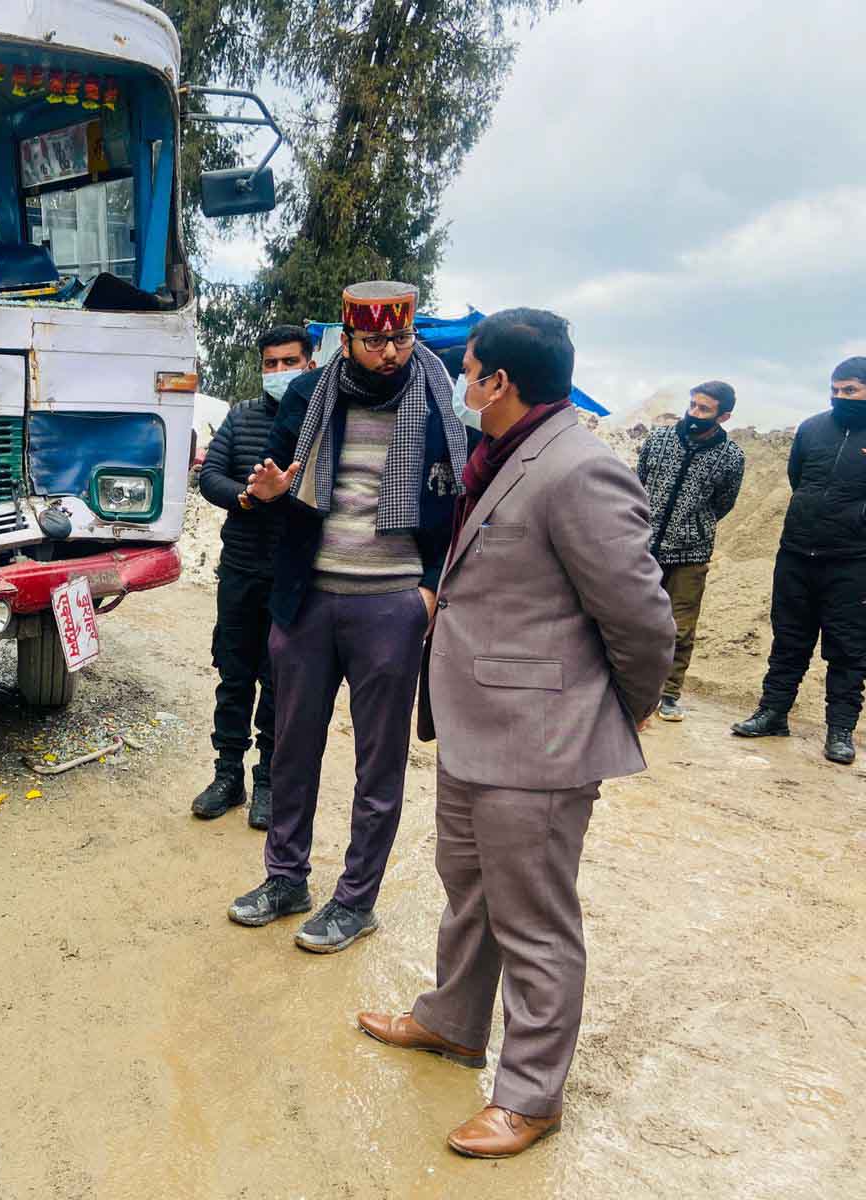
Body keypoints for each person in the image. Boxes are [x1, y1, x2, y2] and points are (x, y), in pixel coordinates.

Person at [356, 308, 675, 1159]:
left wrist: (620, 706)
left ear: (499, 381)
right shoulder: (503, 455)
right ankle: (454, 1021)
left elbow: (641, 618)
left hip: (539, 737)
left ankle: (532, 1093)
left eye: (469, 371)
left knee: (534, 918)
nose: (461, 384)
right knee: (470, 887)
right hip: (476, 724)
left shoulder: (578, 469)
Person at [227, 282, 470, 953]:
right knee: (291, 748)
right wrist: (269, 493)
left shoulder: (440, 401)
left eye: (400, 339)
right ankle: (286, 879)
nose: (389, 353)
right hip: (308, 601)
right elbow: (274, 482)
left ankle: (355, 900)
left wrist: (425, 591)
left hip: (390, 605)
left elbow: (456, 509)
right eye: (373, 341)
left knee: (378, 763)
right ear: (346, 336)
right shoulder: (309, 396)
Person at [190, 326, 309, 828]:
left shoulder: (317, 422)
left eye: (289, 362)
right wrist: (247, 496)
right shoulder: (240, 416)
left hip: (292, 577)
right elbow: (209, 476)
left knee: (280, 683)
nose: (278, 372)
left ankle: (267, 783)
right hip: (239, 571)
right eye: (271, 363)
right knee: (234, 677)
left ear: (309, 364)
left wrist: (287, 492)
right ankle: (227, 776)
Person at [732, 358, 866, 765]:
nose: (841, 397)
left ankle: (840, 730)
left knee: (847, 648)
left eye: (851, 390)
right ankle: (773, 713)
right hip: (797, 553)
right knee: (789, 639)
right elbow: (798, 477)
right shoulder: (811, 429)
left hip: (852, 561)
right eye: (836, 389)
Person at [636, 382, 746, 721]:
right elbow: (638, 485)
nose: (694, 414)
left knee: (679, 628)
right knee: (632, 618)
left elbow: (723, 504)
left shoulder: (731, 457)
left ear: (724, 416)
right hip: (644, 547)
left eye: (704, 410)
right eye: (693, 406)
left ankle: (668, 695)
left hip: (691, 555)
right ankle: (627, 687)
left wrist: (692, 528)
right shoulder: (658, 440)